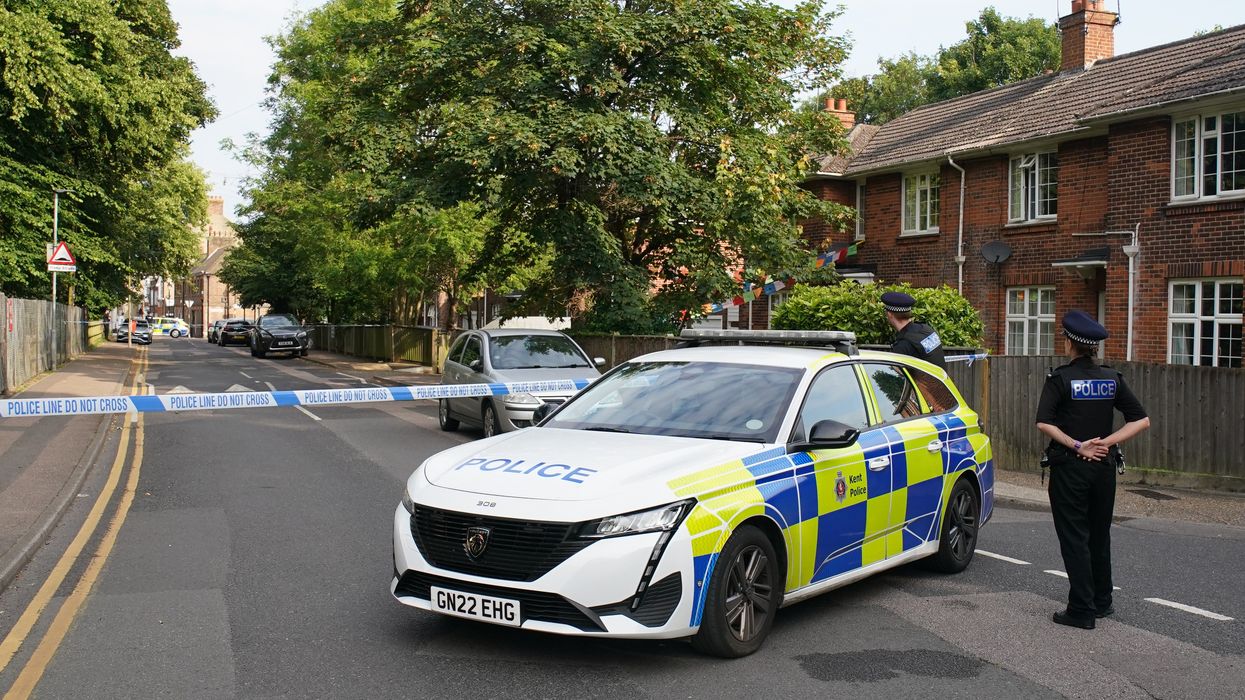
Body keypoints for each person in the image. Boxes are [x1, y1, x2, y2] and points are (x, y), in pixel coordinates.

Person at [1035, 310, 1150, 630]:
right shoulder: (1112, 378)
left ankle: (1081, 610)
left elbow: (1044, 422)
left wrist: (1077, 445)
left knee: (1074, 536)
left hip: (1071, 468)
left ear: (1070, 343)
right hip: (1103, 468)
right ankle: (1102, 601)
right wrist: (1106, 444)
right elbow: (1142, 420)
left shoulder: (1060, 379)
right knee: (1099, 534)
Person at [881, 291, 945, 369]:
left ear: (890, 314)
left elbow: (898, 375)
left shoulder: (903, 345)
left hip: (923, 381)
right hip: (943, 379)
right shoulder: (926, 329)